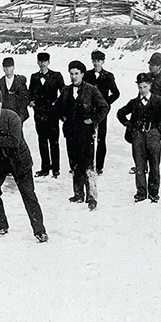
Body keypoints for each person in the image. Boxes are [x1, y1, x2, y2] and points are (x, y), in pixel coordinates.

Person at [0, 88, 48, 243]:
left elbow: (14, 141)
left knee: (28, 194)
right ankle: (0, 223)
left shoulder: (12, 117)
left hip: (19, 161)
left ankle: (40, 230)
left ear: (0, 104)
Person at [116, 73, 161, 203]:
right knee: (139, 166)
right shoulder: (134, 102)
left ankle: (154, 193)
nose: (142, 90)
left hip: (153, 136)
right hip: (137, 137)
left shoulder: (157, 100)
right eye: (140, 87)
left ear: (150, 86)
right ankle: (141, 192)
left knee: (154, 165)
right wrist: (128, 125)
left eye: (145, 87)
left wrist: (160, 123)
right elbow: (120, 113)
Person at [59, 61, 110, 211]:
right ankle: (78, 194)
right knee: (74, 164)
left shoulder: (91, 90)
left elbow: (104, 107)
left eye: (76, 74)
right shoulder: (66, 91)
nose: (74, 76)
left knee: (88, 165)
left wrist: (93, 120)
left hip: (86, 134)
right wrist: (63, 117)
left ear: (82, 74)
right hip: (71, 134)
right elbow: (58, 107)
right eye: (71, 73)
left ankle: (92, 197)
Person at [83, 50, 120, 175]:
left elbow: (116, 93)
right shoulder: (87, 75)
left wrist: (105, 103)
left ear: (103, 61)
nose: (96, 63)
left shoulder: (108, 76)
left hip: (102, 112)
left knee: (101, 138)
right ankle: (88, 164)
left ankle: (99, 166)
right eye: (94, 61)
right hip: (88, 111)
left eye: (98, 61)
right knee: (88, 138)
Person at [29, 52, 65, 178]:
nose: (42, 64)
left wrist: (58, 106)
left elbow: (64, 93)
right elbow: (30, 92)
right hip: (39, 114)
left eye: (45, 61)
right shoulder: (34, 77)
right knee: (42, 141)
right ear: (37, 62)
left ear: (49, 62)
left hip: (52, 115)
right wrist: (31, 101)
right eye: (40, 61)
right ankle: (45, 168)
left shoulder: (56, 76)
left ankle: (55, 168)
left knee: (54, 142)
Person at [0, 57, 30, 123]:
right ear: (3, 68)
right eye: (5, 67)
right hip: (4, 116)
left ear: (13, 67)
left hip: (18, 115)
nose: (7, 69)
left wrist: (20, 116)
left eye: (10, 66)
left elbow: (25, 99)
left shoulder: (20, 81)